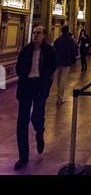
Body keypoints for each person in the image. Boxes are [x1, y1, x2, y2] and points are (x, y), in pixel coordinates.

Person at [14, 25, 56, 170]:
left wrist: (45, 83)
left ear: (44, 35)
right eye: (34, 32)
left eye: (38, 33)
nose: (35, 35)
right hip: (26, 87)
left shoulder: (49, 51)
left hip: (39, 87)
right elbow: (18, 67)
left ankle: (39, 133)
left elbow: (52, 67)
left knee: (37, 117)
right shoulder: (25, 50)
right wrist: (24, 76)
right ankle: (23, 156)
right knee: (22, 122)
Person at [54, 25, 77, 105]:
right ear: (67, 31)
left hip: (58, 62)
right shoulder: (70, 40)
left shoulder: (57, 40)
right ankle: (60, 98)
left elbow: (54, 51)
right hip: (66, 62)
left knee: (59, 79)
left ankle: (59, 95)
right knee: (62, 80)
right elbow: (73, 51)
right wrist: (73, 60)